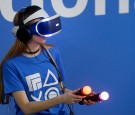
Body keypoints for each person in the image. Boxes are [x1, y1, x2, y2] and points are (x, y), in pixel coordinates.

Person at [0, 5, 95, 115]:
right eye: (41, 28)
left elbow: (60, 89)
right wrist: (61, 99)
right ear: (25, 33)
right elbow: (26, 108)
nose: (46, 32)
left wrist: (79, 96)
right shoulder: (11, 66)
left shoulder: (52, 52)